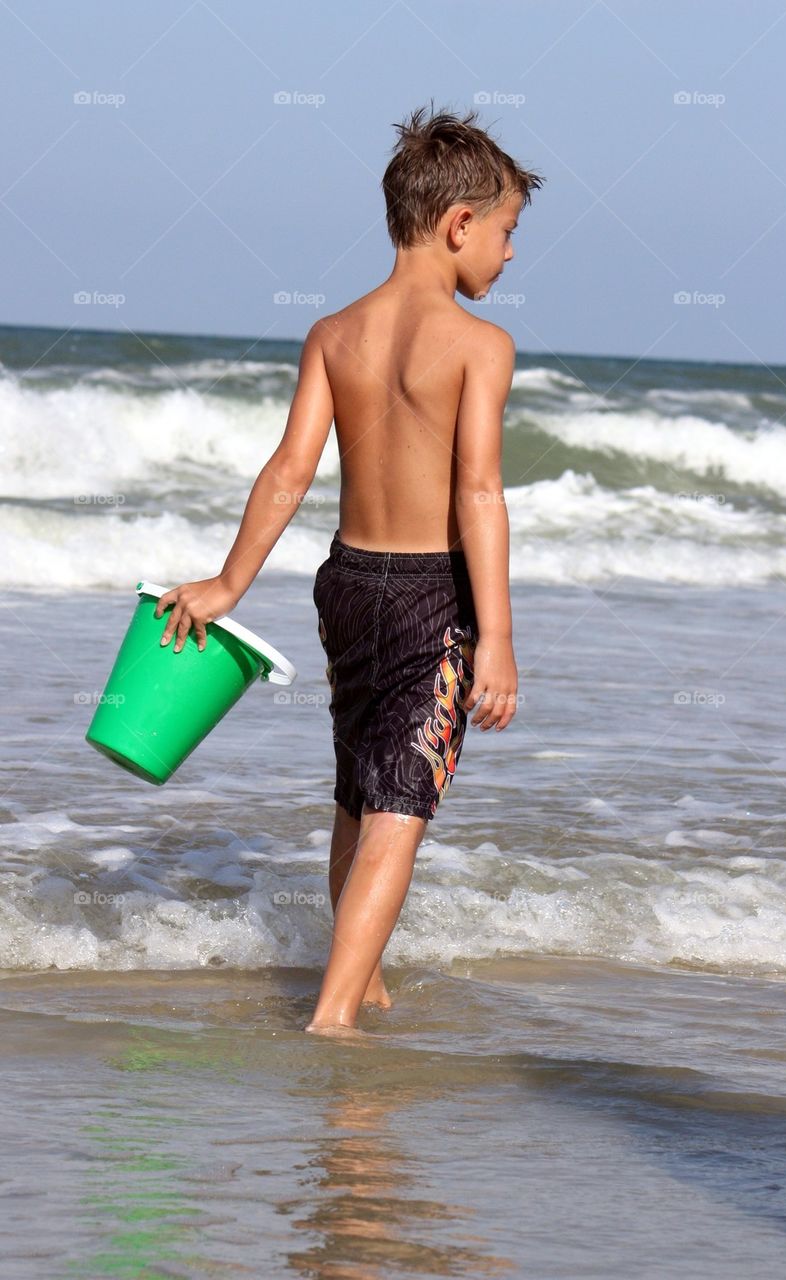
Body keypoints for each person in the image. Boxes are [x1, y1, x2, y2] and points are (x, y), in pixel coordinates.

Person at [154, 103, 544, 1036]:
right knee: (400, 810)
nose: (510, 255)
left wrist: (226, 585)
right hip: (428, 596)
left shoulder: (334, 332)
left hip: (347, 584)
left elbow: (289, 471)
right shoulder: (481, 347)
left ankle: (360, 984)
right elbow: (480, 495)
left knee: (358, 789)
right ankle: (334, 1018)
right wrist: (497, 639)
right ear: (459, 225)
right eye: (507, 233)